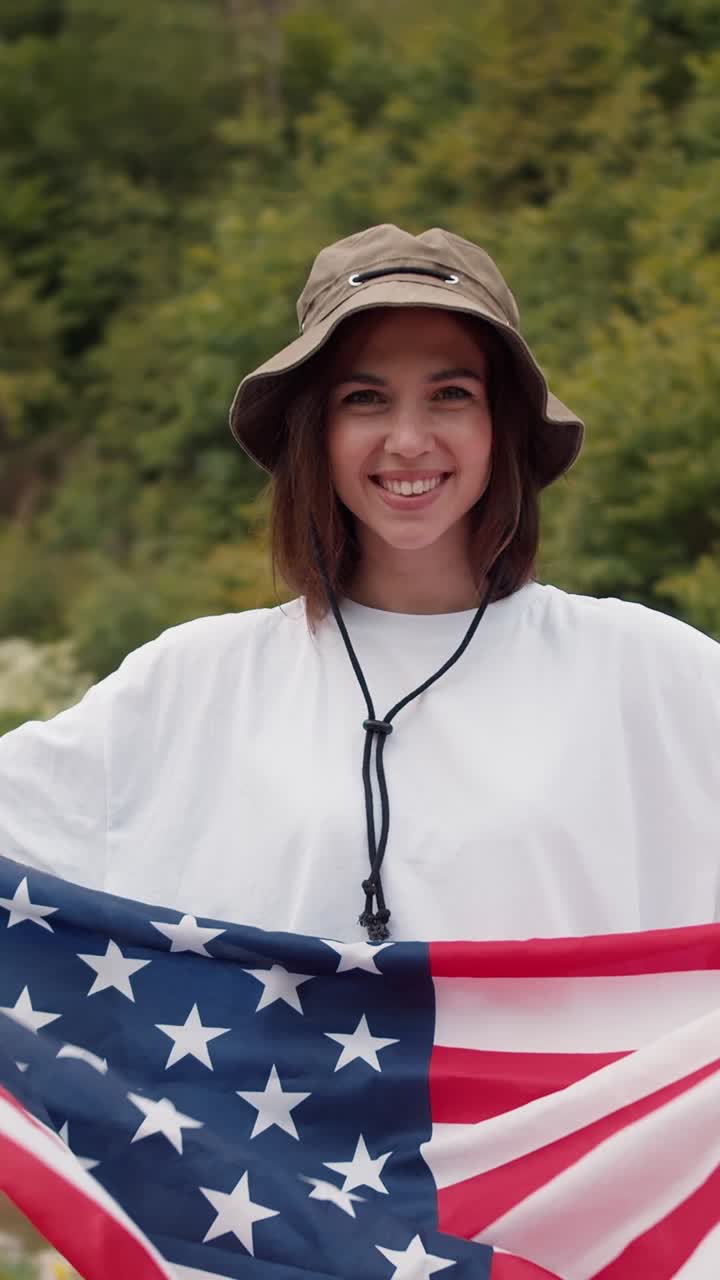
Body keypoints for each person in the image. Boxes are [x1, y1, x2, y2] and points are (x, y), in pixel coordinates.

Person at [0, 224, 718, 942]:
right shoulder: (195, 681)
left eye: (451, 394)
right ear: (316, 432)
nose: (408, 439)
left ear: (502, 425)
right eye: (365, 399)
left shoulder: (646, 670)